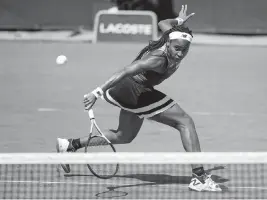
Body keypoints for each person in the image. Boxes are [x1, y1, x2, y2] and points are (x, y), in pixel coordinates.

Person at [57, 5, 221, 192]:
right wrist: (97, 92)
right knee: (185, 122)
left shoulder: (171, 36)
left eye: (185, 50)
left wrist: (179, 22)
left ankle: (70, 145)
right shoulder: (158, 59)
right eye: (177, 49)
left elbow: (163, 23)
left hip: (132, 90)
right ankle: (199, 177)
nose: (180, 53)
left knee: (123, 136)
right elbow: (127, 69)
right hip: (133, 90)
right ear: (168, 44)